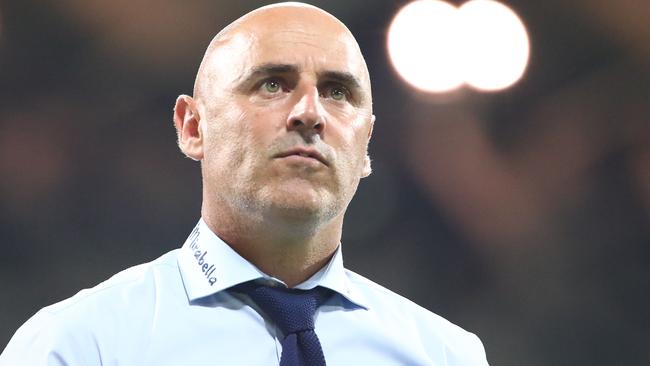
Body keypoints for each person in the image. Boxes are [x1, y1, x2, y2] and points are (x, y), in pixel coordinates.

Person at [0, 2, 488, 365]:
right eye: (272, 84)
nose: (309, 113)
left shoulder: (446, 354)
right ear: (193, 128)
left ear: (366, 145)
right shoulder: (80, 346)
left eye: (337, 92)